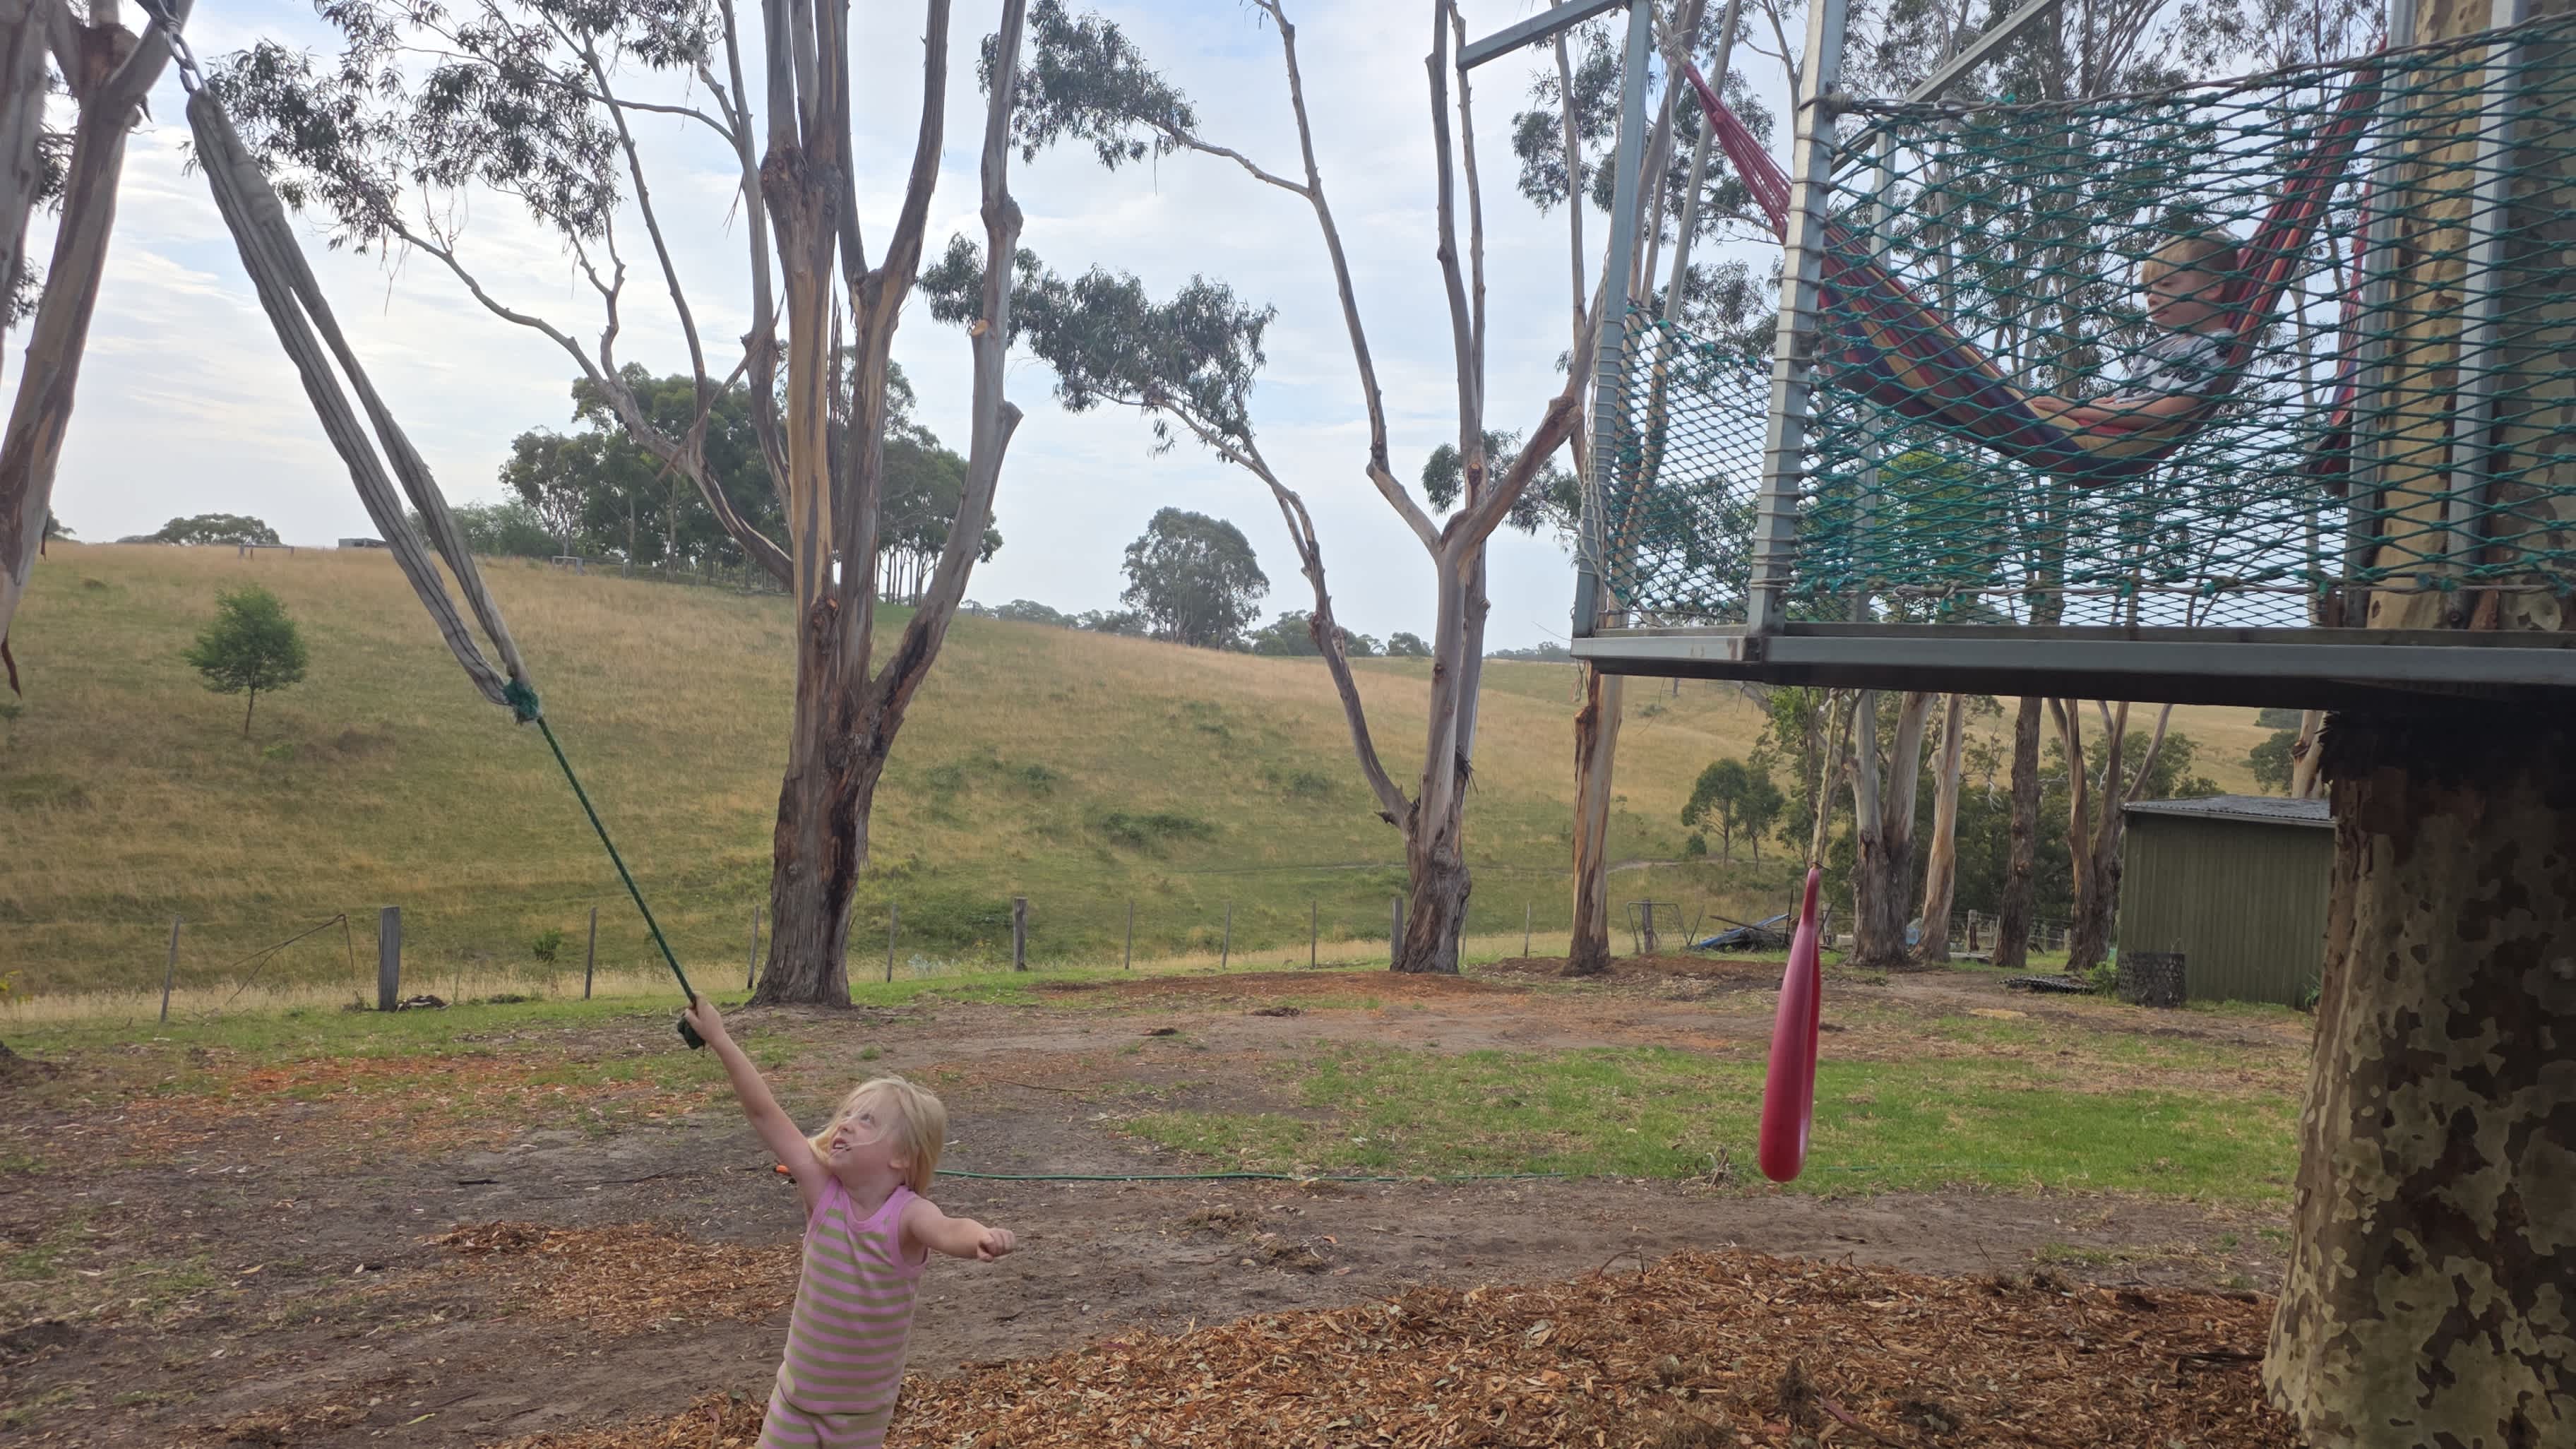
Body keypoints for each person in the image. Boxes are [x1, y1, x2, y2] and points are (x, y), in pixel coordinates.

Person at [685, 998, 1016, 1449]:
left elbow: (948, 1228)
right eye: (846, 1115)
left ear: (902, 1157)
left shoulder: (907, 1215)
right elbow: (765, 1113)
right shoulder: (823, 1191)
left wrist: (980, 1237)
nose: (845, 1125)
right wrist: (721, 1039)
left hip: (861, 1417)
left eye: (866, 1120)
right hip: (795, 1404)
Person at [2022, 229, 2243, 432]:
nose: (2151, 298)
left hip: (2112, 434)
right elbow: (2127, 397)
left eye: (2166, 284)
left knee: (2017, 410)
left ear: (2212, 288)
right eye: (2147, 291)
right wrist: (2087, 405)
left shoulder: (2216, 343)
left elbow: (2168, 412)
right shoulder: (2161, 346)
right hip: (2101, 422)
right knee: (2017, 405)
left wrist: (2080, 410)